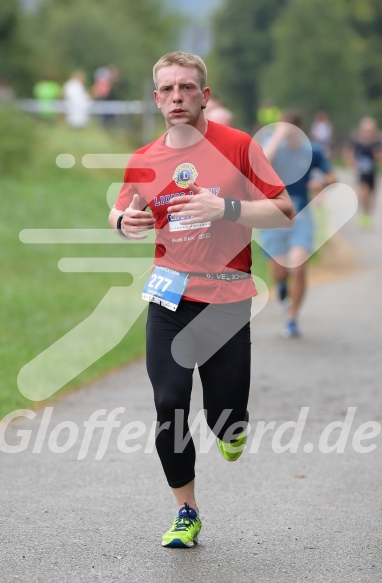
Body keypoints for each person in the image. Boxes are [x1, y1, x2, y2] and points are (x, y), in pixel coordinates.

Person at [108, 51, 295, 548]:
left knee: (224, 414)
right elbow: (120, 210)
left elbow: (284, 211)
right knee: (169, 403)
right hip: (170, 297)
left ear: (204, 95)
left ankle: (231, 430)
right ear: (156, 98)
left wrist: (226, 206)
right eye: (167, 89)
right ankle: (186, 510)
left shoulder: (238, 147)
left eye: (186, 88)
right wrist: (125, 222)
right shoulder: (145, 158)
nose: (176, 96)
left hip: (227, 301)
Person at [259, 110, 336, 338]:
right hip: (273, 216)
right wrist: (277, 136)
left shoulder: (312, 150)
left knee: (299, 267)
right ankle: (283, 289)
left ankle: (292, 318)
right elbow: (261, 164)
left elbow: (332, 176)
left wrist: (320, 182)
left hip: (301, 216)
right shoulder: (272, 146)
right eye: (285, 130)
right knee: (279, 271)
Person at [343, 116, 382, 228]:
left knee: (371, 196)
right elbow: (348, 152)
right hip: (361, 173)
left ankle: (367, 214)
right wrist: (351, 162)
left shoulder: (376, 143)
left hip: (372, 173)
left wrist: (377, 155)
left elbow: (379, 157)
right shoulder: (357, 142)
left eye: (370, 130)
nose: (368, 132)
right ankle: (364, 215)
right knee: (363, 192)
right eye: (366, 130)